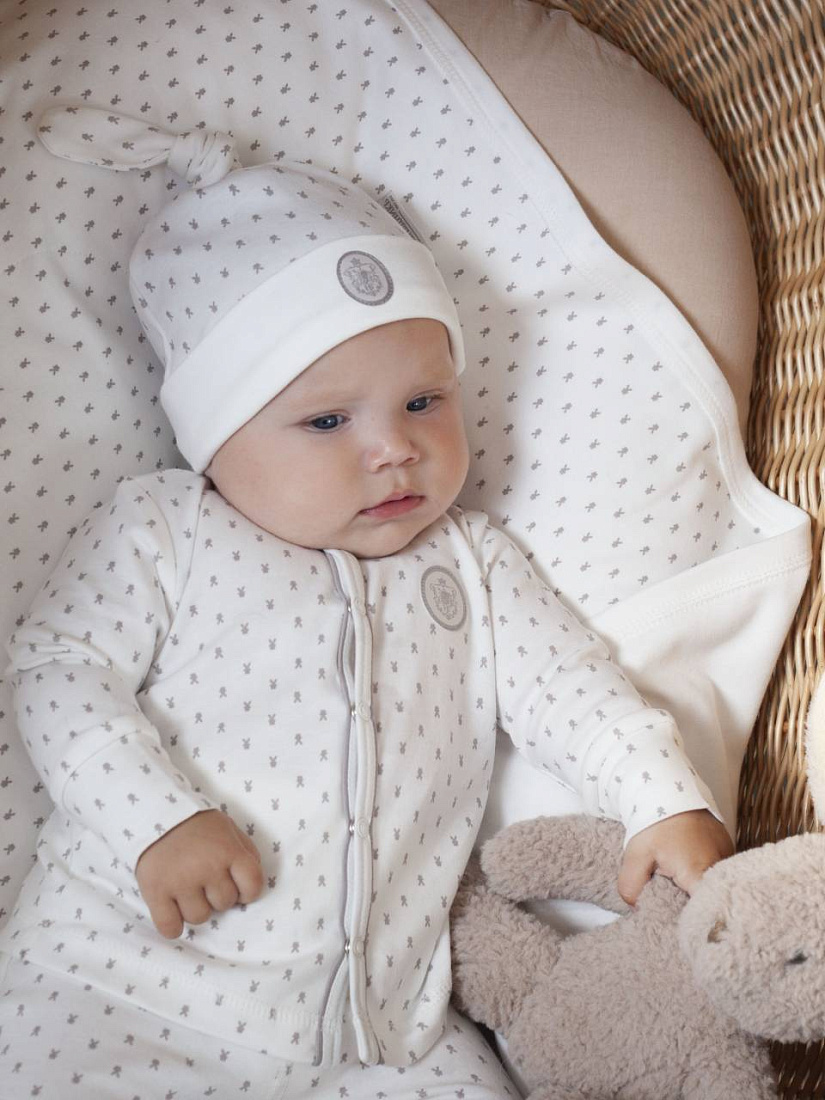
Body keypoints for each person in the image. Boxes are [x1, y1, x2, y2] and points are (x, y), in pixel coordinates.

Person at [0, 107, 732, 1099]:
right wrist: (156, 819)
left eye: (424, 402)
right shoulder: (168, 530)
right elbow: (59, 667)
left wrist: (664, 799)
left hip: (383, 1034)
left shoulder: (471, 562)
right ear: (216, 432)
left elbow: (575, 692)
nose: (394, 448)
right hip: (124, 992)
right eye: (326, 420)